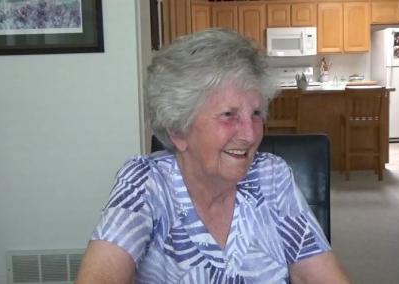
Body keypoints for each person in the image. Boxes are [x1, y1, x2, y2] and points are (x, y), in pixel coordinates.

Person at [76, 28, 350, 284]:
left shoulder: (271, 176)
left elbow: (316, 273)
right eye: (229, 115)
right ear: (178, 130)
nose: (250, 135)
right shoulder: (146, 182)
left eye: (255, 114)